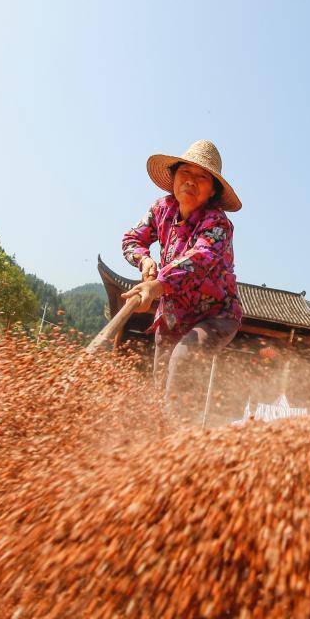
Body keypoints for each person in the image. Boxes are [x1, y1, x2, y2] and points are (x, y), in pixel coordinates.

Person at [120, 139, 242, 419]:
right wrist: (145, 259)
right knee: (162, 388)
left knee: (183, 361)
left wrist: (156, 285)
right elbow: (131, 239)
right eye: (185, 173)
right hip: (172, 315)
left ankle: (181, 446)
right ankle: (162, 444)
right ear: (174, 177)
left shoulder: (218, 224)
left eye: (201, 177)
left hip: (215, 316)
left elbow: (199, 259)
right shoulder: (161, 209)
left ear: (212, 191)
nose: (191, 181)